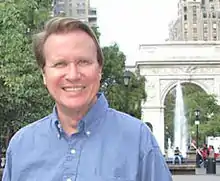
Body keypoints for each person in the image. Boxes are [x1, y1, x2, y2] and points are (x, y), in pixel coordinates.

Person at [2, 17, 172, 181]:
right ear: (44, 75)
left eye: (83, 62)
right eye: (60, 64)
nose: (73, 75)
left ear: (99, 70)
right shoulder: (21, 146)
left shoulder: (138, 141)